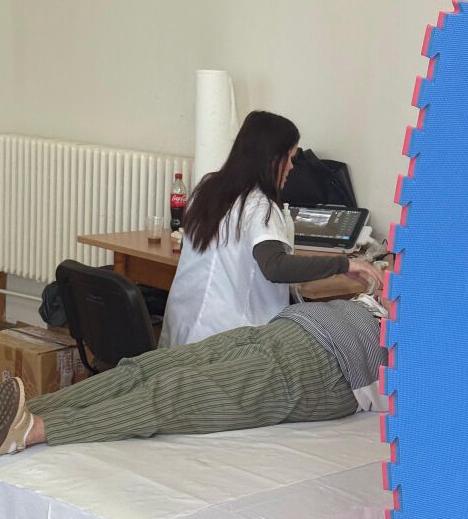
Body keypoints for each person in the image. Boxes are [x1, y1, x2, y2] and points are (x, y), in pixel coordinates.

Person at [0, 293, 389, 457]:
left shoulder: (427, 341)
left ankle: (33, 430)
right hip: (284, 329)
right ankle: (8, 414)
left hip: (325, 367)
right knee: (146, 366)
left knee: (177, 392)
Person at [159, 110, 384, 347]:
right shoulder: (258, 205)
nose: (291, 167)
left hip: (180, 337)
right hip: (227, 344)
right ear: (272, 159)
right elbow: (276, 267)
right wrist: (344, 264)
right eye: (289, 158)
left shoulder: (207, 187)